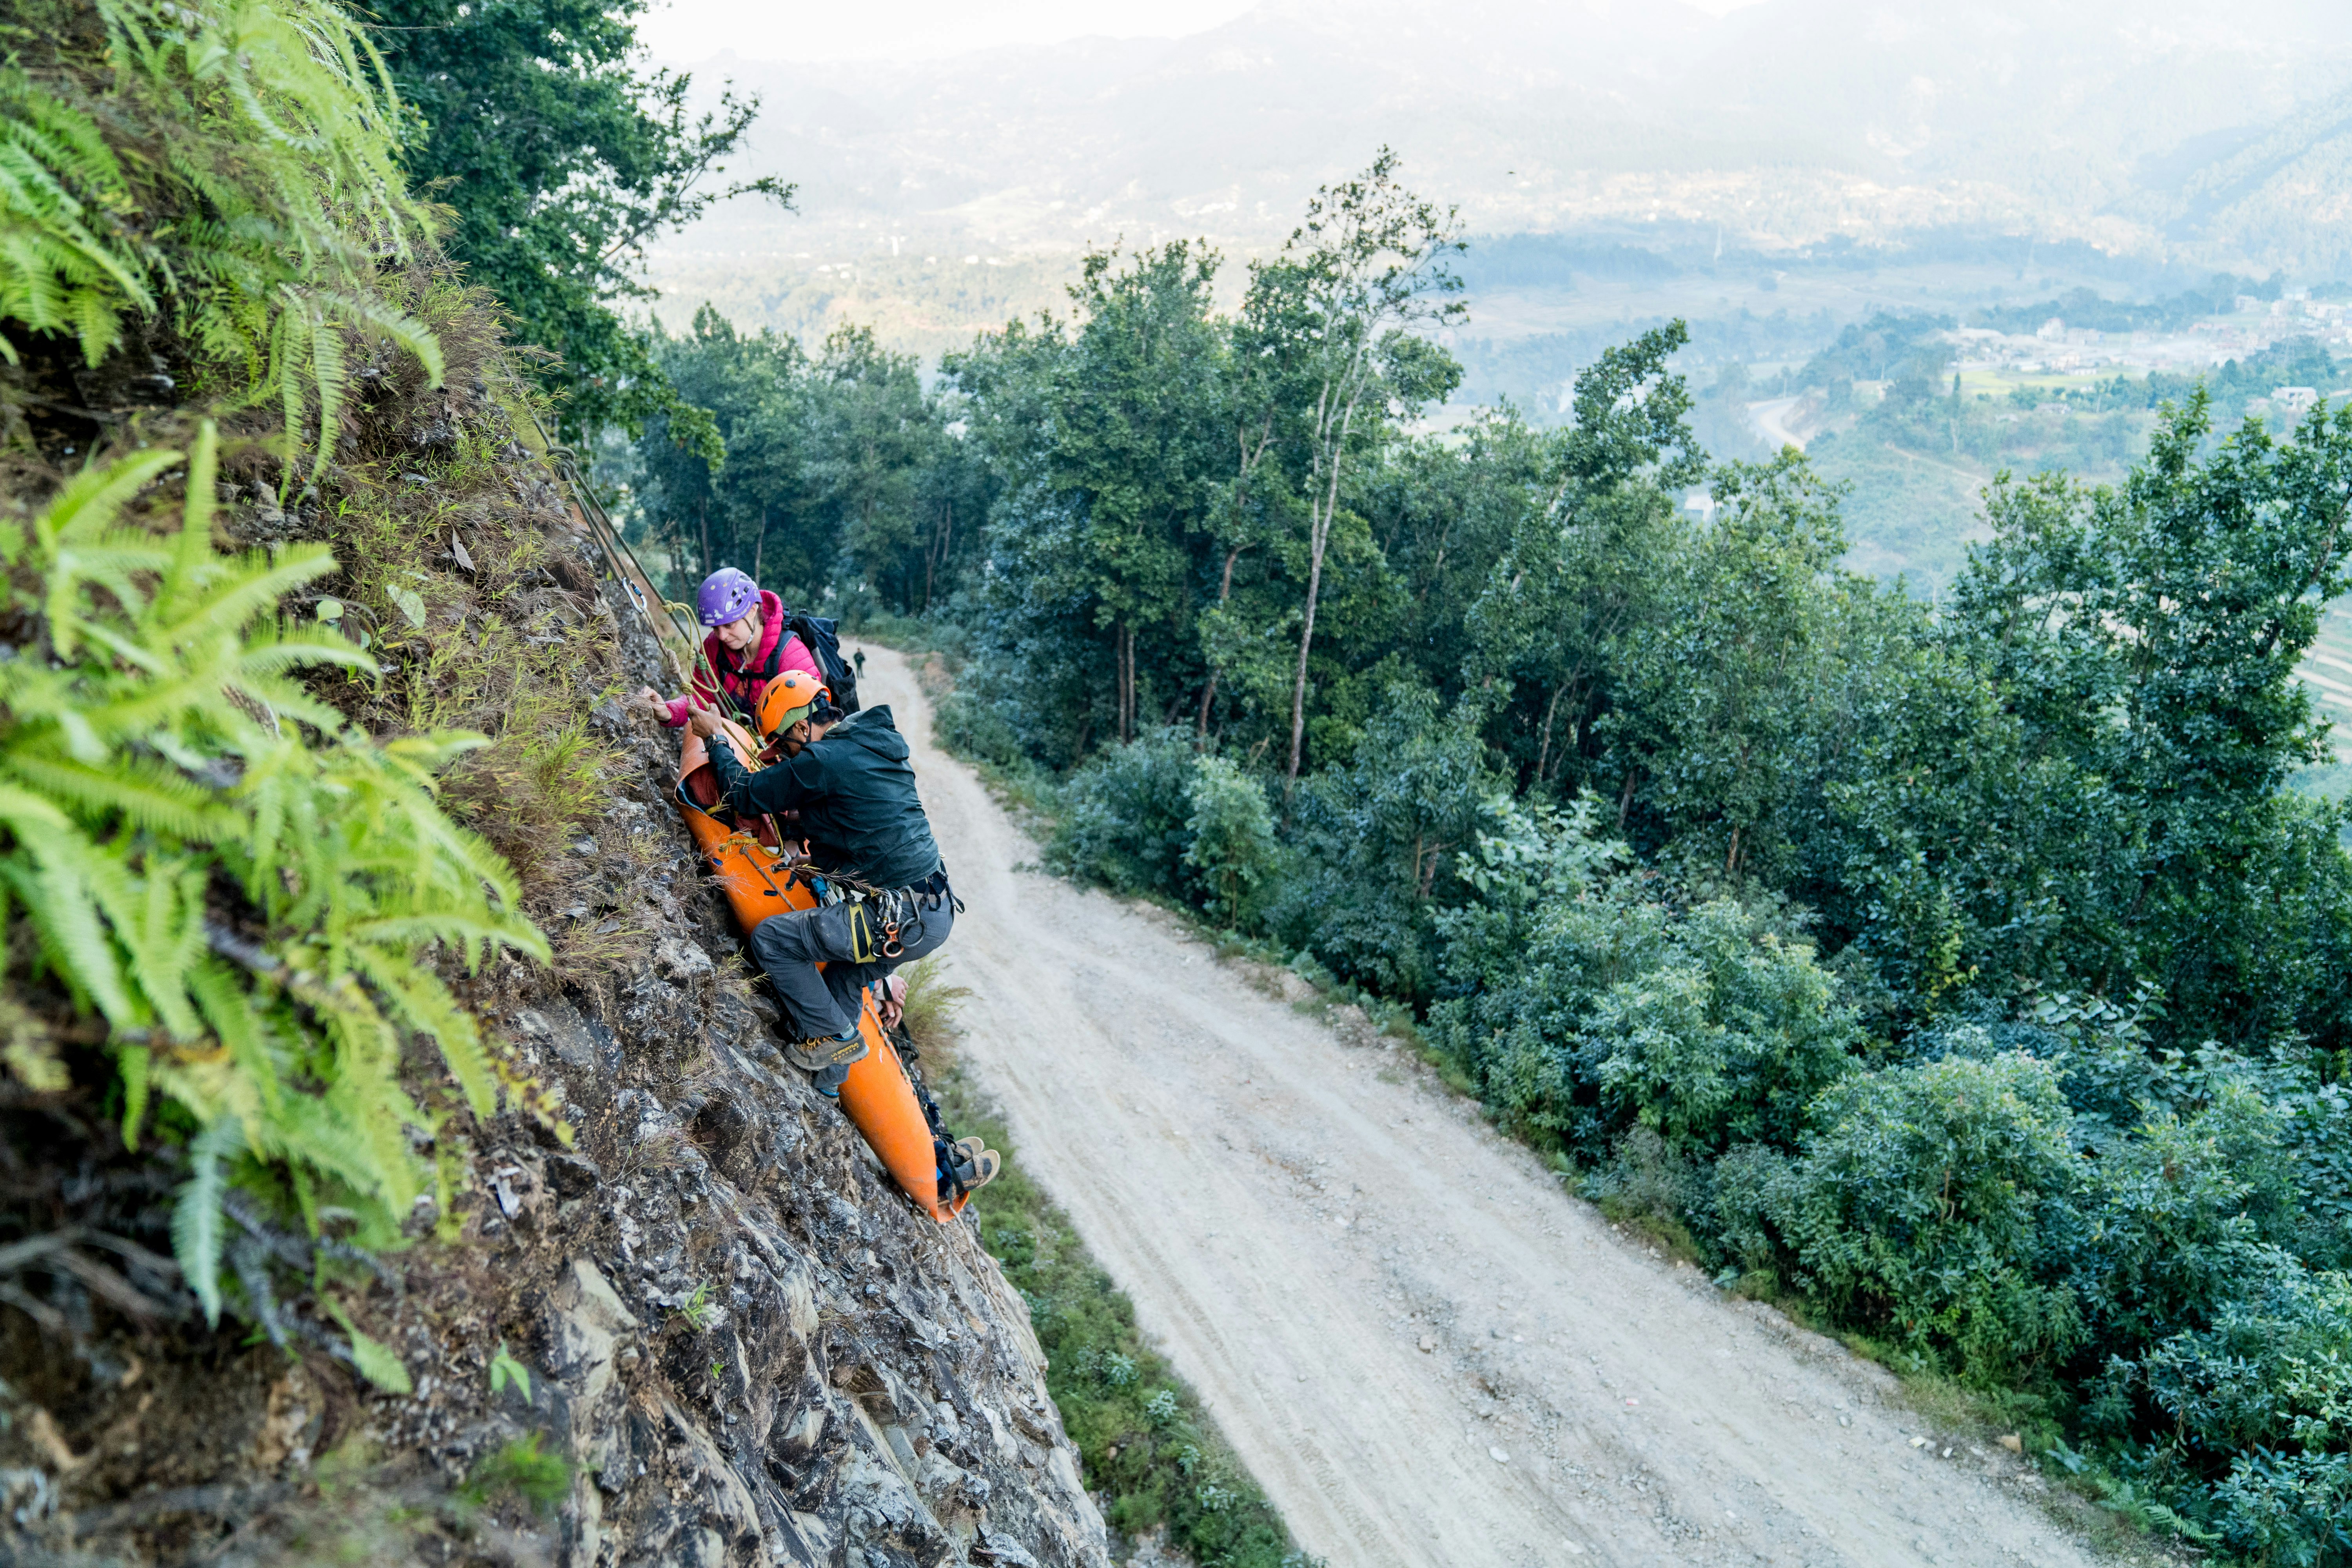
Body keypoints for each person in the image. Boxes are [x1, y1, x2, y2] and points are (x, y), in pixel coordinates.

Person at [687, 674, 957, 1100]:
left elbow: (744, 795)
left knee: (774, 940)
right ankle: (828, 1089)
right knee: (846, 979)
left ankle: (835, 1035)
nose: (787, 756)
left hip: (897, 915)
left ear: (799, 727)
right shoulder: (872, 746)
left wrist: (717, 738)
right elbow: (868, 825)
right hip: (933, 912)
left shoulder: (823, 760)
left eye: (784, 746)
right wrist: (821, 861)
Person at [635, 567, 821, 730]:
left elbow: (810, 722)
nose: (722, 636)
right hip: (735, 744)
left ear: (753, 610)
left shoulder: (791, 657)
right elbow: (703, 697)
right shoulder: (714, 648)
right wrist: (668, 711)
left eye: (729, 625)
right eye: (716, 628)